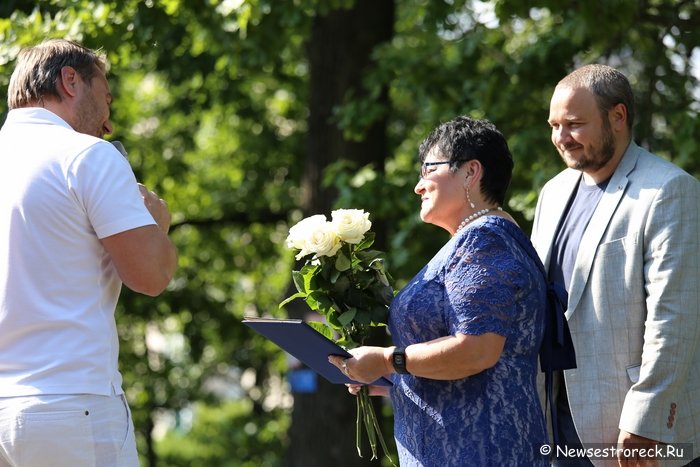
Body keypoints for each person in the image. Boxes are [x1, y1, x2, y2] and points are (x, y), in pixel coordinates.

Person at [329, 116, 549, 466]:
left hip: (479, 450)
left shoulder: (484, 239)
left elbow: (478, 351)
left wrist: (389, 359)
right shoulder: (477, 239)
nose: (418, 185)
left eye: (428, 168)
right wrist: (388, 380)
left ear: (470, 172)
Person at [0, 39, 177, 466]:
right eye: (107, 98)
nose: (108, 123)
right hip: (70, 406)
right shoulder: (87, 156)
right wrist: (158, 226)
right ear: (71, 80)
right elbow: (151, 277)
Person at [533, 63, 700, 466]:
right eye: (554, 125)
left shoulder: (669, 190)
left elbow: (675, 318)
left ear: (618, 116)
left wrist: (646, 418)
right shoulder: (553, 192)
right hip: (555, 422)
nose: (560, 138)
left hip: (637, 431)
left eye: (574, 124)